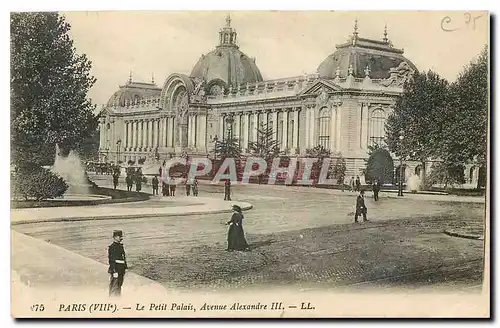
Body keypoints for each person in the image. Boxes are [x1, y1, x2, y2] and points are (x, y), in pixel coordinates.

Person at [108, 230, 128, 297]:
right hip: (116, 270)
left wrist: (125, 267)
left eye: (121, 236)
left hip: (121, 270)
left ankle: (117, 300)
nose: (121, 238)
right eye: (120, 236)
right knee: (114, 287)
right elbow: (111, 260)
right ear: (115, 237)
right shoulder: (112, 247)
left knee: (119, 286)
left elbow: (123, 258)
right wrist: (114, 271)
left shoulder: (120, 246)